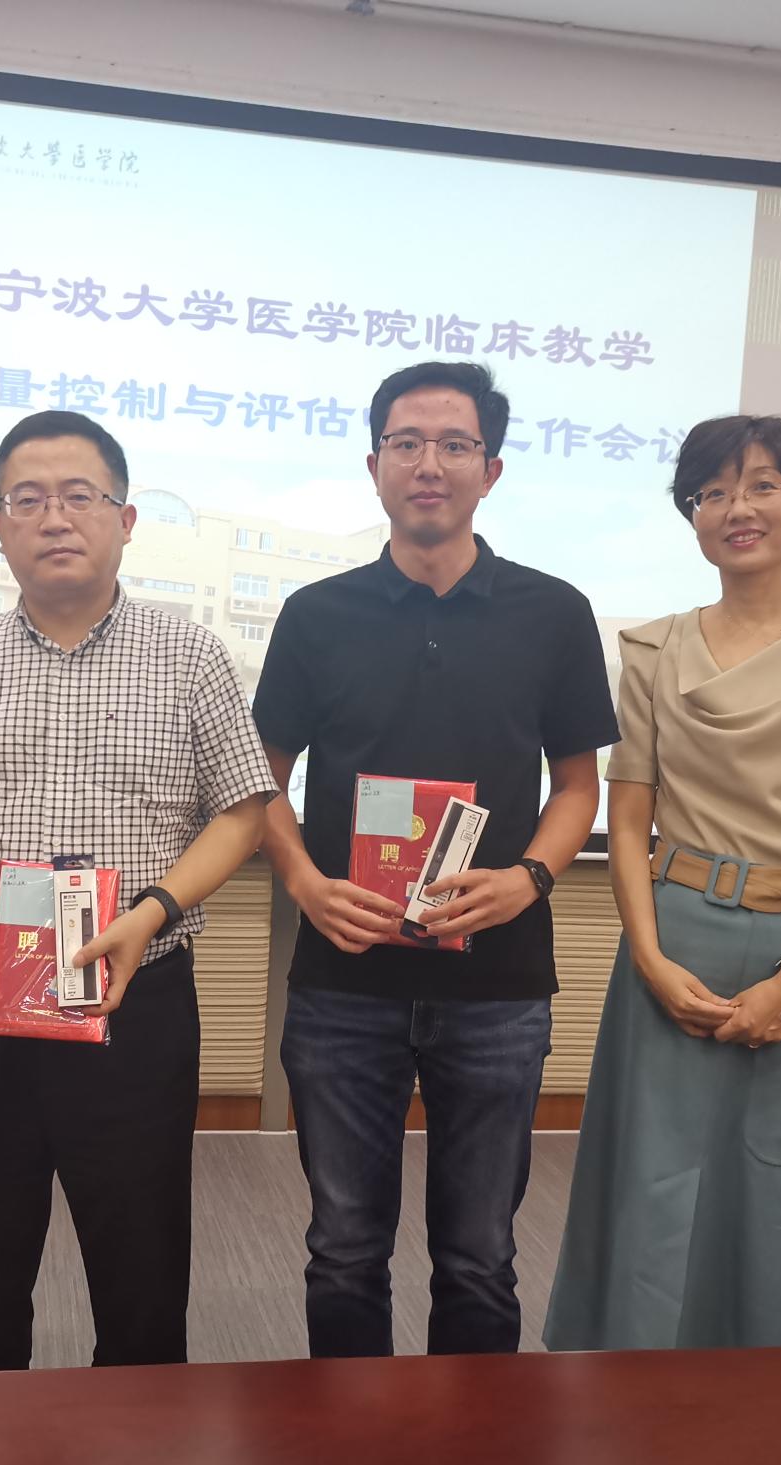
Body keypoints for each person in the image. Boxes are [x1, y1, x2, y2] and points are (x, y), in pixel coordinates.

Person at [0, 409, 276, 1372]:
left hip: (139, 1001)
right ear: (0, 526)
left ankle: (139, 1439)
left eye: (79, 496)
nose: (55, 518)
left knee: (141, 1271)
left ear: (126, 520)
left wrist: (151, 914)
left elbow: (243, 813)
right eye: (28, 500)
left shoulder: (192, 657)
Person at [253, 361, 618, 1358]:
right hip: (344, 981)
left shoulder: (553, 611)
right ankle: (346, 1437)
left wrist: (527, 880)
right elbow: (258, 783)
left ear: (490, 471)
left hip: (497, 986)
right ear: (373, 465)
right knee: (342, 1248)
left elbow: (576, 787)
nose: (428, 464)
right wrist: (304, 883)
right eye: (405, 443)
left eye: (454, 445)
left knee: (479, 1255)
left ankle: (475, 1441)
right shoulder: (315, 613)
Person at [543, 414, 781, 1351]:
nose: (734, 508)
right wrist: (649, 959)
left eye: (762, 485)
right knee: (655, 1188)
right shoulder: (653, 650)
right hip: (674, 944)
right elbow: (628, 819)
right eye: (710, 493)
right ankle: (638, 1397)